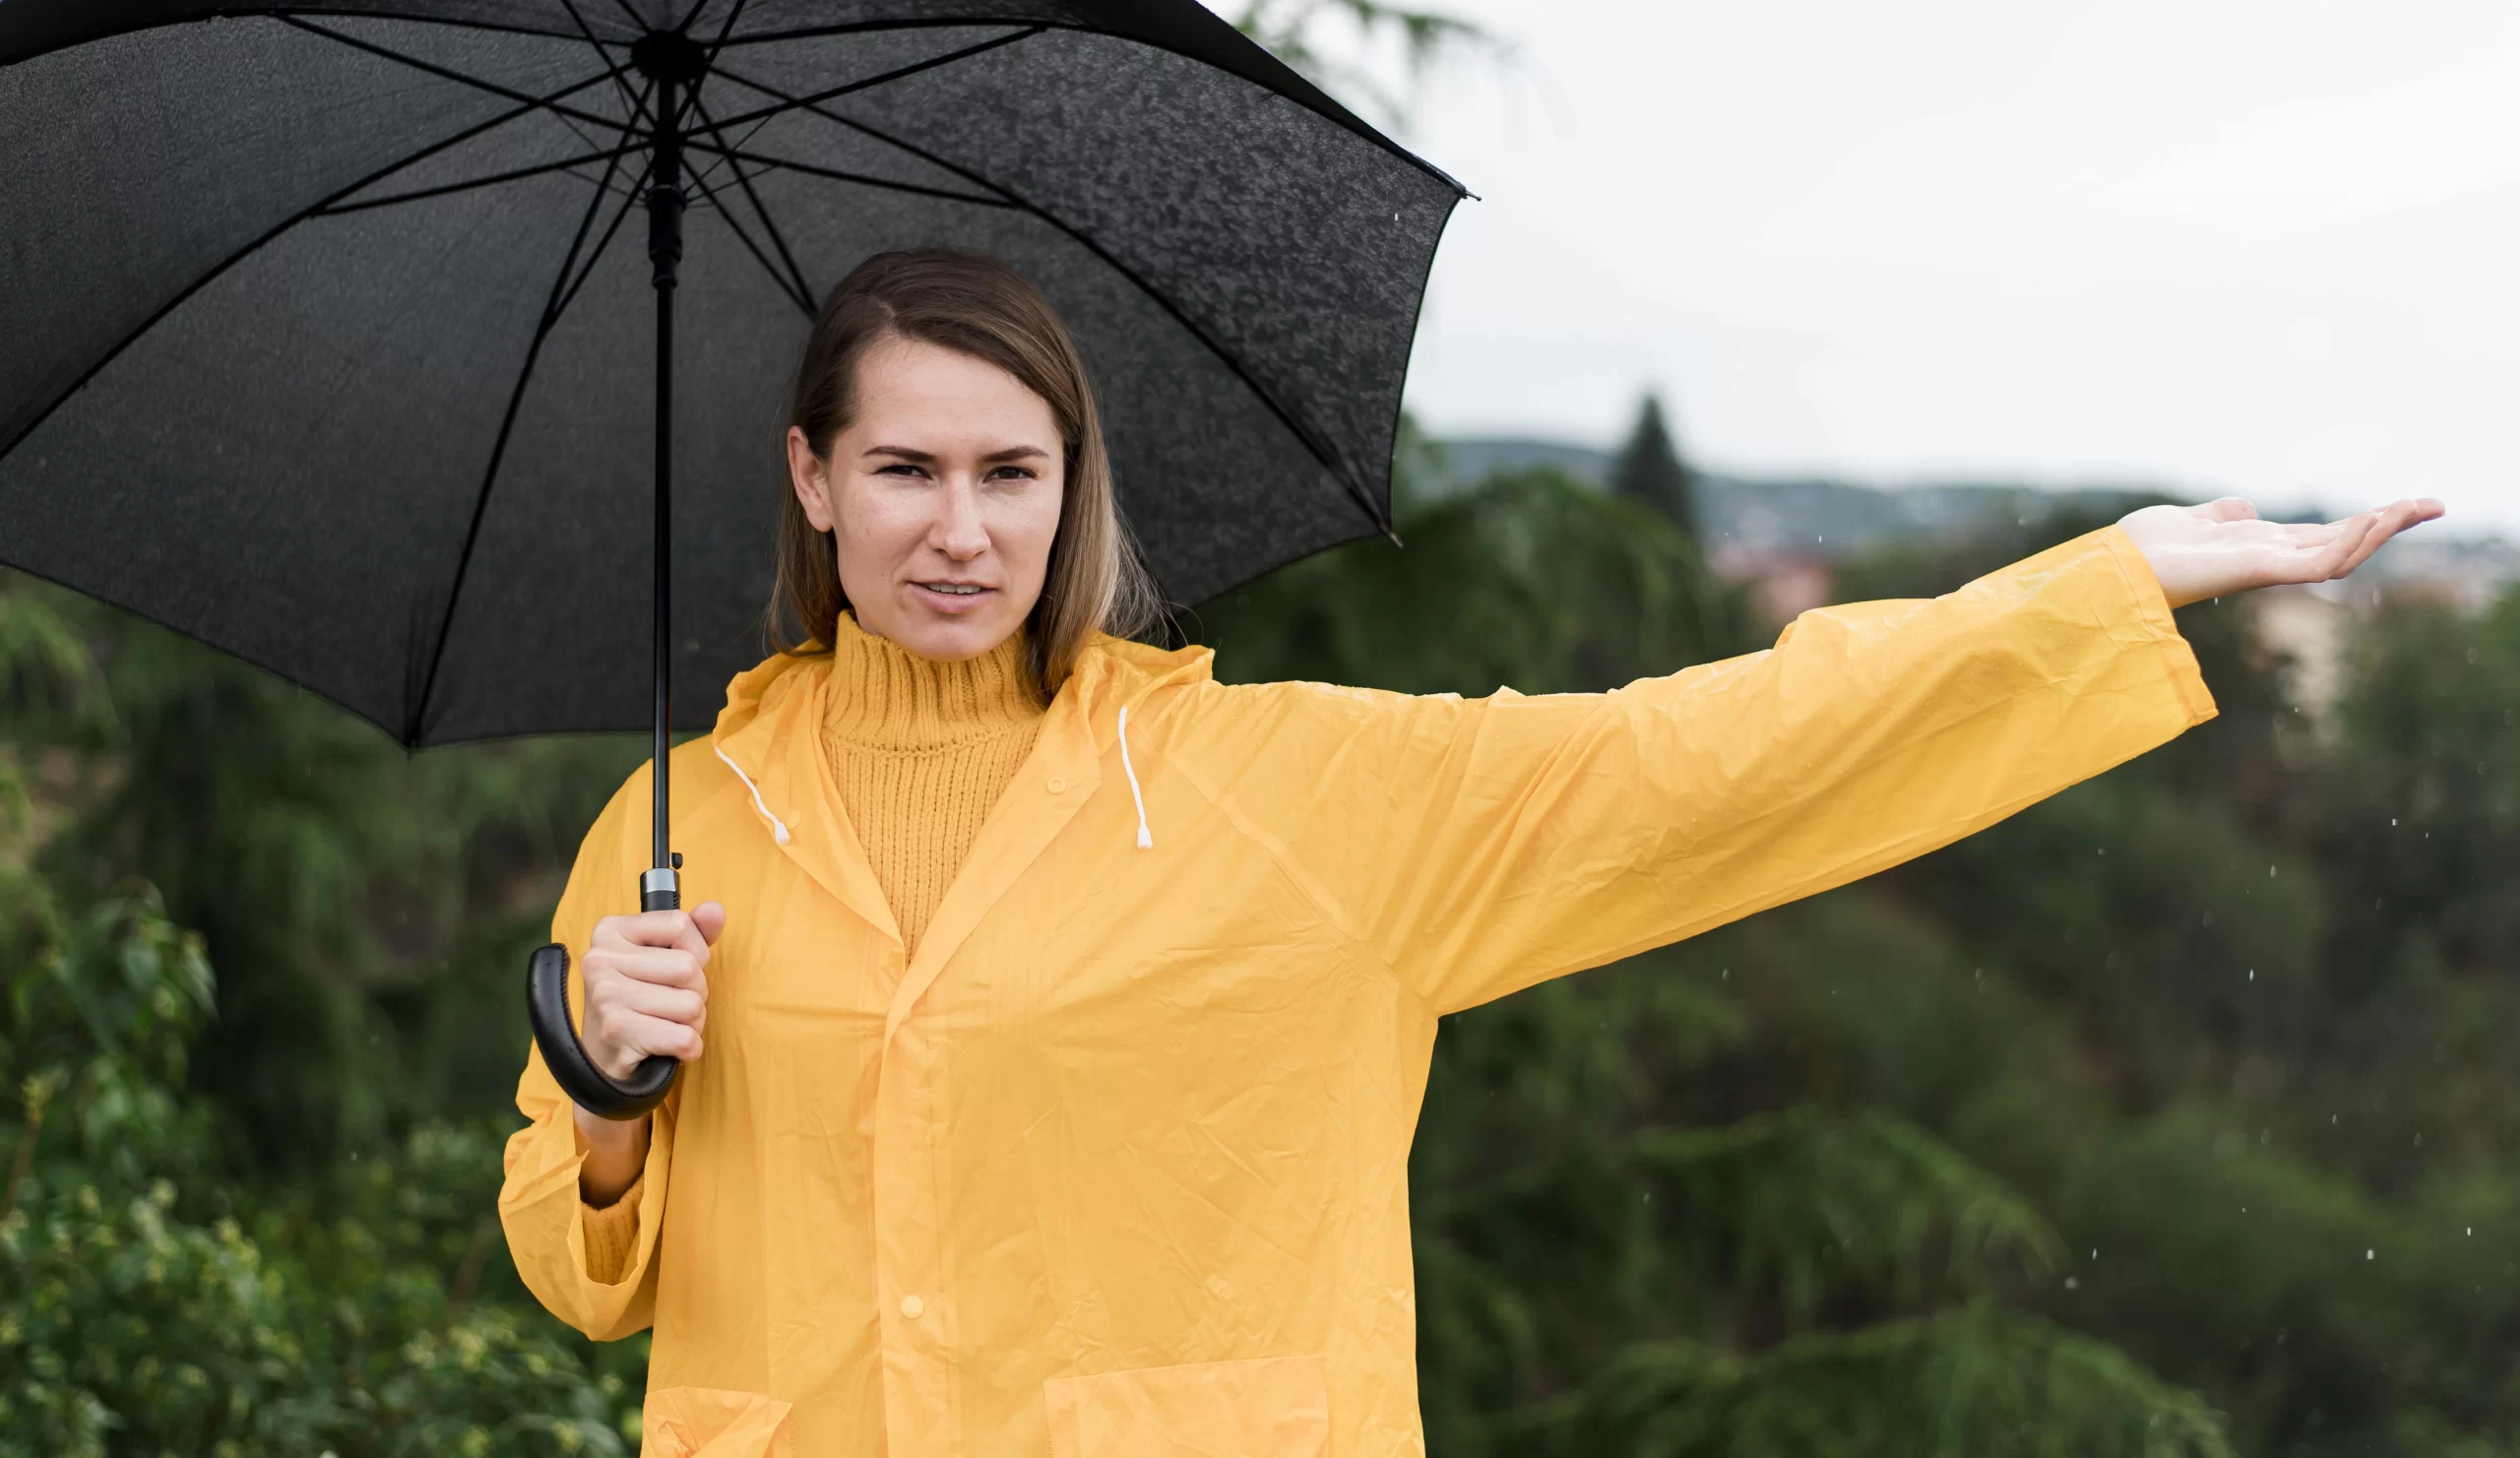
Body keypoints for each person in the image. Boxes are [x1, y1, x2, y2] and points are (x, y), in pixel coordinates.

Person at [499, 247, 2440, 1458]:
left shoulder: (1283, 791)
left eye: (1013, 472)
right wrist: (607, 1093)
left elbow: (1697, 754)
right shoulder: (673, 833)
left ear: (1074, 489)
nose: (958, 528)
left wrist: (2102, 587)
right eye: (905, 468)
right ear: (809, 476)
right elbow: (585, 1276)